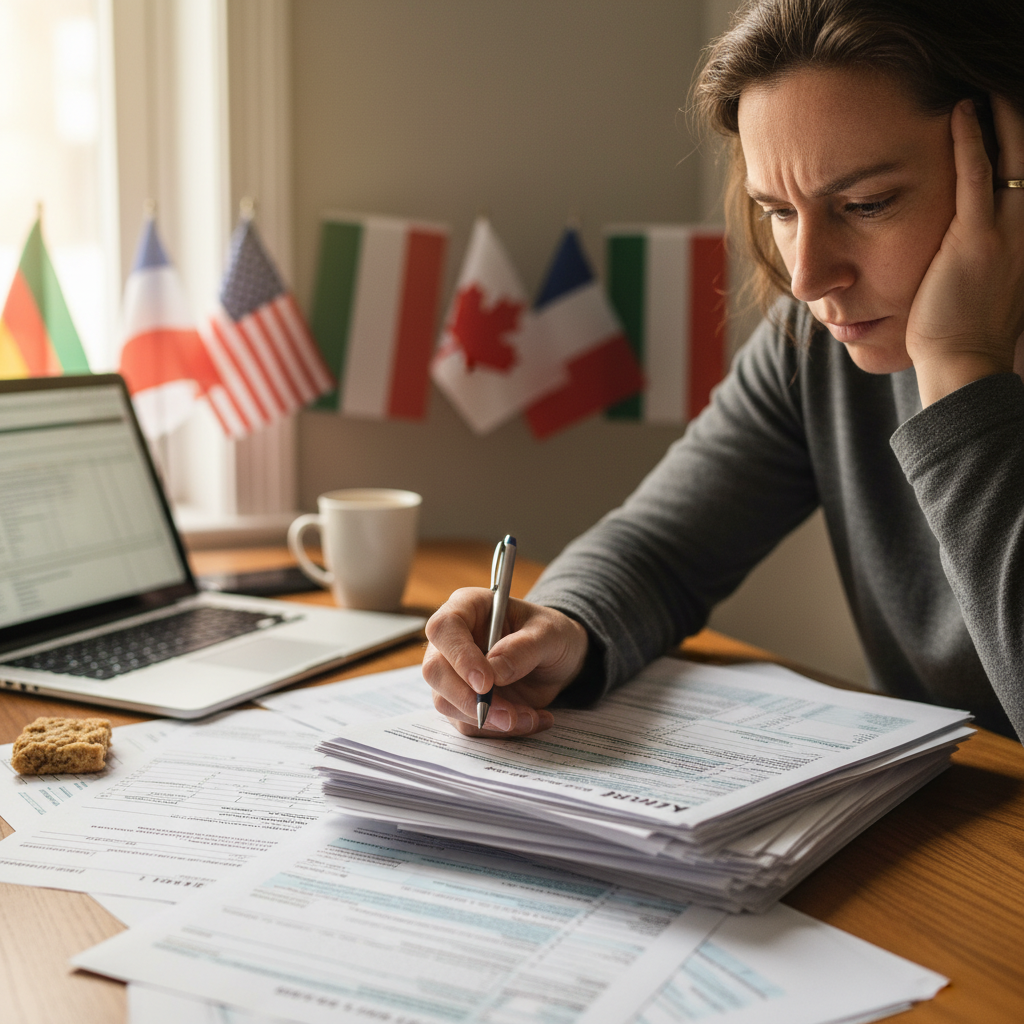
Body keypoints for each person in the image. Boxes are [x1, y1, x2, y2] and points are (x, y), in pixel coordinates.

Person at [423, 0, 1024, 744]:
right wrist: (564, 622)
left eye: (866, 204)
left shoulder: (894, 332)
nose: (806, 277)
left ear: (1005, 170)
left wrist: (963, 370)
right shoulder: (815, 345)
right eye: (778, 209)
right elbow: (663, 549)